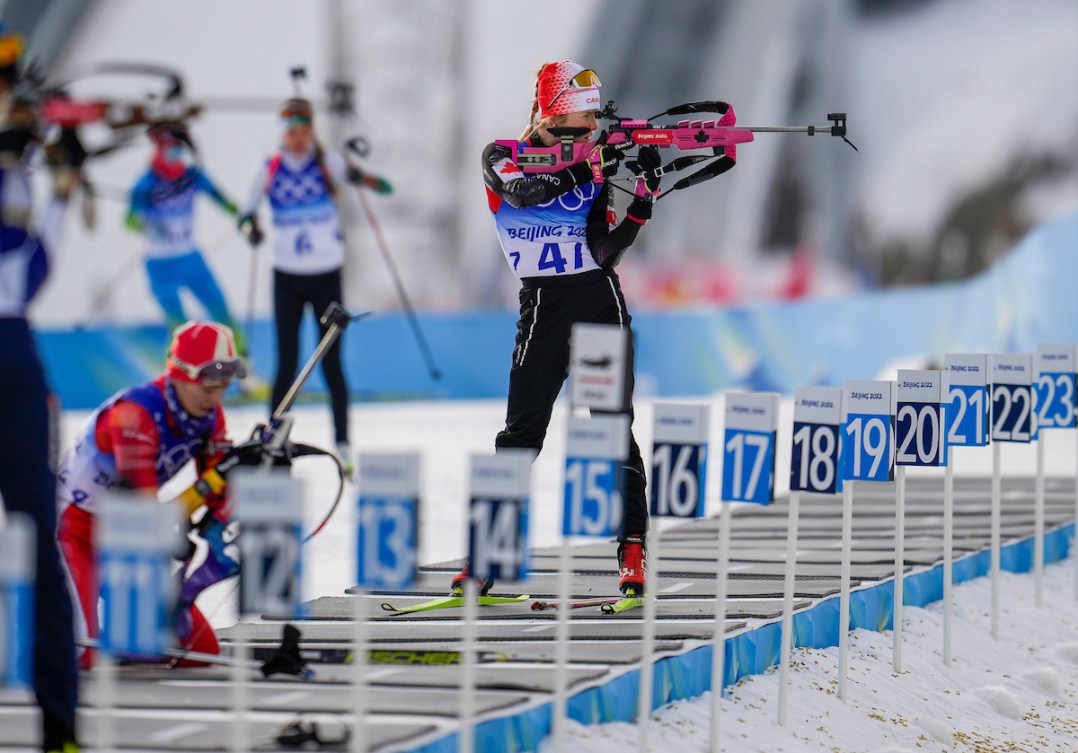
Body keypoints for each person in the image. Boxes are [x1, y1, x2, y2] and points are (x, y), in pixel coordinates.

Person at [468, 60, 664, 598]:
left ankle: (631, 550)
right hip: (543, 302)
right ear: (550, 111)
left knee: (611, 427)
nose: (589, 129)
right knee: (520, 434)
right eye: (579, 120)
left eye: (593, 121)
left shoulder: (593, 166)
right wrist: (589, 165)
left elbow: (604, 250)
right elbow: (524, 194)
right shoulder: (502, 155)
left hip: (597, 298)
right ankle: (484, 556)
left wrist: (641, 203)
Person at [56, 321, 247, 670]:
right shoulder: (134, 416)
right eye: (207, 387)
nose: (216, 398)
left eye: (224, 386)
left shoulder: (210, 415)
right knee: (83, 655)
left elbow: (222, 491)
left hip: (127, 540)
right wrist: (212, 483)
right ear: (179, 375)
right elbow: (146, 516)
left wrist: (247, 470)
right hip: (77, 532)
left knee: (200, 654)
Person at [0, 25, 82, 753]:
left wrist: (59, 186)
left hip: (12, 349)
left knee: (39, 538)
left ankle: (62, 729)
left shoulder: (16, 169)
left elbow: (29, 270)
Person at [237, 96, 391, 477]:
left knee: (332, 363)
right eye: (292, 132)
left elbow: (383, 187)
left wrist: (359, 175)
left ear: (312, 131)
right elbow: (245, 214)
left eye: (305, 131)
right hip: (286, 278)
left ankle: (343, 442)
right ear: (283, 133)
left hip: (326, 276)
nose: (299, 139)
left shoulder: (329, 163)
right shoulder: (268, 168)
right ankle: (271, 442)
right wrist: (250, 229)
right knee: (287, 362)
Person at [125, 122, 247, 354]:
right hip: (160, 263)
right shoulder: (147, 182)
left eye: (178, 149)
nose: (174, 155)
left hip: (190, 258)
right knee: (178, 326)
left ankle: (243, 366)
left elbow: (222, 199)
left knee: (220, 309)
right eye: (169, 149)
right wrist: (147, 224)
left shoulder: (192, 176)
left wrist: (243, 214)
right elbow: (129, 220)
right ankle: (178, 377)